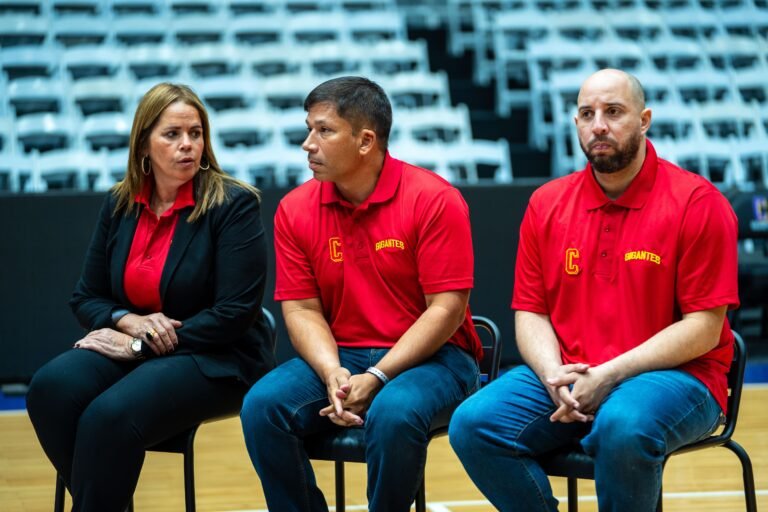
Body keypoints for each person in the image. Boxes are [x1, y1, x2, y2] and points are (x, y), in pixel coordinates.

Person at [449, 68, 739, 511]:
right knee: (473, 424)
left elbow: (702, 328)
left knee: (623, 425)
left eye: (613, 112)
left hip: (680, 378)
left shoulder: (698, 203)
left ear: (644, 120)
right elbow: (531, 312)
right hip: (570, 373)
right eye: (587, 113)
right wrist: (552, 375)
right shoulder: (547, 203)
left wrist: (608, 376)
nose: (598, 124)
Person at [26, 82, 275, 512]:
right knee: (50, 388)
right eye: (172, 135)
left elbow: (233, 315)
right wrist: (127, 321)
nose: (187, 146)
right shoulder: (121, 204)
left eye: (195, 134)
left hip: (216, 357)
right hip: (138, 347)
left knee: (109, 417)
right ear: (144, 143)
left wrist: (137, 347)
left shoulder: (233, 204)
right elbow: (86, 297)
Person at [240, 76, 482, 512]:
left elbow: (446, 310)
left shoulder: (434, 199)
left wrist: (380, 376)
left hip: (439, 358)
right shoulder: (294, 209)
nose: (307, 143)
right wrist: (331, 369)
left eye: (324, 130)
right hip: (345, 354)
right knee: (262, 407)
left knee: (394, 411)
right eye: (309, 128)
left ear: (366, 140)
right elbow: (301, 308)